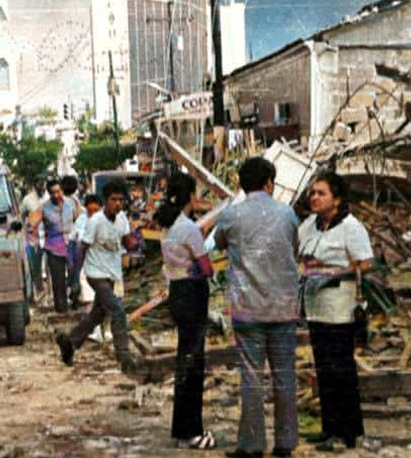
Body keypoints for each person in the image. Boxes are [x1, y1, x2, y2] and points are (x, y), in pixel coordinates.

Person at [214, 157, 300, 458]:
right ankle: (285, 445)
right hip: (284, 308)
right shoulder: (288, 213)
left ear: (240, 184)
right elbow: (295, 246)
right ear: (269, 183)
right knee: (284, 376)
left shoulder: (231, 215)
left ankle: (251, 446)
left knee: (252, 378)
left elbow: (218, 242)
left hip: (247, 308)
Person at [298, 171, 373, 452]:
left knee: (341, 370)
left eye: (321, 193)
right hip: (316, 308)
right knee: (324, 370)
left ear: (337, 199)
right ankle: (329, 428)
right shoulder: (309, 225)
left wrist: (336, 270)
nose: (315, 197)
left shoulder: (351, 227)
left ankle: (348, 431)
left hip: (340, 309)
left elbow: (366, 263)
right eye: (313, 193)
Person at [154, 172, 216, 451]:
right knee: (193, 363)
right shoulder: (189, 228)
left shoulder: (167, 226)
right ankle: (191, 431)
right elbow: (206, 268)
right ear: (190, 197)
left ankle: (183, 429)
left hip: (177, 293)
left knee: (185, 360)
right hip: (192, 294)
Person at [54, 180, 139, 373]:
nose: (117, 204)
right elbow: (82, 249)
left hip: (112, 273)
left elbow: (128, 241)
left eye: (120, 200)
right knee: (117, 311)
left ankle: (70, 342)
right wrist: (76, 277)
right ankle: (124, 357)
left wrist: (136, 245)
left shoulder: (123, 219)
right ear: (105, 201)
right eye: (113, 199)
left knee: (97, 315)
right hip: (95, 273)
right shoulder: (95, 221)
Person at [41, 177, 76, 312]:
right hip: (53, 246)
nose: (56, 195)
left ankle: (74, 299)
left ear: (62, 190)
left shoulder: (72, 204)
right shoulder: (45, 208)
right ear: (49, 194)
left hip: (71, 244)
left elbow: (78, 219)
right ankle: (60, 307)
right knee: (58, 278)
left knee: (74, 274)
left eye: (58, 191)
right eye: (52, 193)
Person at [21, 175, 47, 294]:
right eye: (39, 185)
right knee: (35, 266)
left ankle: (49, 293)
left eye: (44, 185)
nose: (42, 188)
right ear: (34, 186)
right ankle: (38, 291)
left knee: (49, 266)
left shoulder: (49, 197)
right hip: (33, 238)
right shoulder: (27, 200)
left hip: (48, 237)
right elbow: (22, 216)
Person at [62, 175, 83, 308]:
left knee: (71, 268)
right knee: (74, 268)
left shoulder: (64, 200)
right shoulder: (74, 200)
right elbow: (77, 217)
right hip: (70, 239)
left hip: (67, 239)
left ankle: (72, 291)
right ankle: (73, 291)